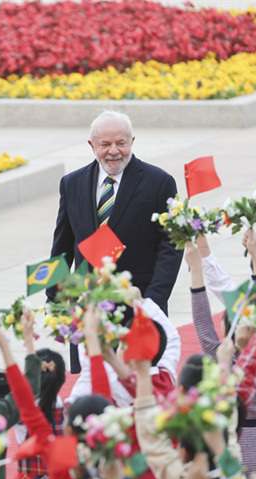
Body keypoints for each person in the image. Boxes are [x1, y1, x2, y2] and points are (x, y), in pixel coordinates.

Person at [48, 110, 181, 372]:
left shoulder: (159, 182)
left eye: (121, 143)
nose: (113, 151)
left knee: (140, 384)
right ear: (91, 146)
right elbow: (62, 246)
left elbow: (171, 246)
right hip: (88, 304)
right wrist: (55, 300)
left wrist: (152, 302)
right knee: (94, 386)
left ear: (132, 141)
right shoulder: (71, 184)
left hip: (137, 304)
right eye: (105, 144)